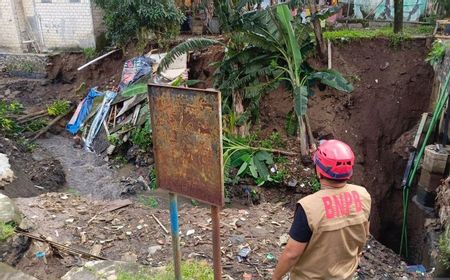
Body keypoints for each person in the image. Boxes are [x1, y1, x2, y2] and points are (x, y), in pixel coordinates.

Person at [272, 139, 371, 280]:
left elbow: (291, 254)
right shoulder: (363, 195)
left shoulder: (309, 207)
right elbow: (364, 234)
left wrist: (275, 277)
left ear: (319, 171)